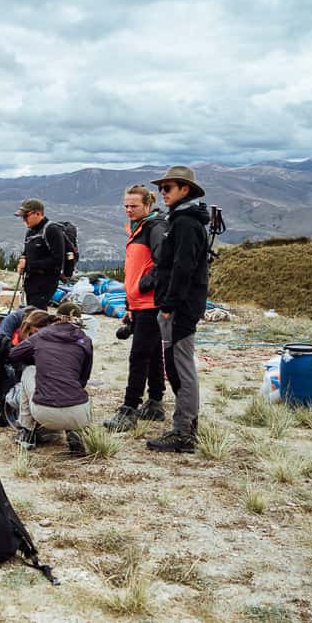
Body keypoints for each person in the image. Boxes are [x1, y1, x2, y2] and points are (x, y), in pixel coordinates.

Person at [146, 167, 210, 453]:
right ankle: (184, 426)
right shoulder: (181, 220)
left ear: (185, 189)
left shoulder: (185, 223)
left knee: (181, 368)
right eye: (162, 187)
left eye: (168, 187)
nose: (163, 192)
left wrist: (170, 305)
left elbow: (183, 268)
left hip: (180, 308)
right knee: (174, 364)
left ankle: (184, 432)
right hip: (177, 305)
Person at [104, 185, 167, 432]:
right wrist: (130, 302)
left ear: (148, 204)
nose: (129, 210)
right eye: (126, 206)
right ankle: (155, 402)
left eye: (134, 206)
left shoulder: (155, 228)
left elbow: (163, 264)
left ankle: (129, 408)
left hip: (151, 303)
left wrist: (142, 286)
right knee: (151, 354)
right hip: (139, 304)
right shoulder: (139, 228)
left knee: (139, 355)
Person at [9, 304, 93, 454]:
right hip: (80, 415)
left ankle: (26, 433)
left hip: (43, 413)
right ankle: (74, 432)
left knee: (29, 371)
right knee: (73, 386)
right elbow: (83, 379)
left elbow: (14, 354)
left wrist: (39, 357)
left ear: (56, 318)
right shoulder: (85, 340)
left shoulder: (42, 335)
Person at [15, 199, 65, 310]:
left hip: (45, 283)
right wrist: (23, 259)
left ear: (38, 213)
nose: (24, 219)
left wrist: (30, 265)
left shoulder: (52, 230)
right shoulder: (30, 231)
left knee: (37, 317)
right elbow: (26, 252)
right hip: (31, 282)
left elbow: (57, 260)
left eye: (26, 216)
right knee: (32, 315)